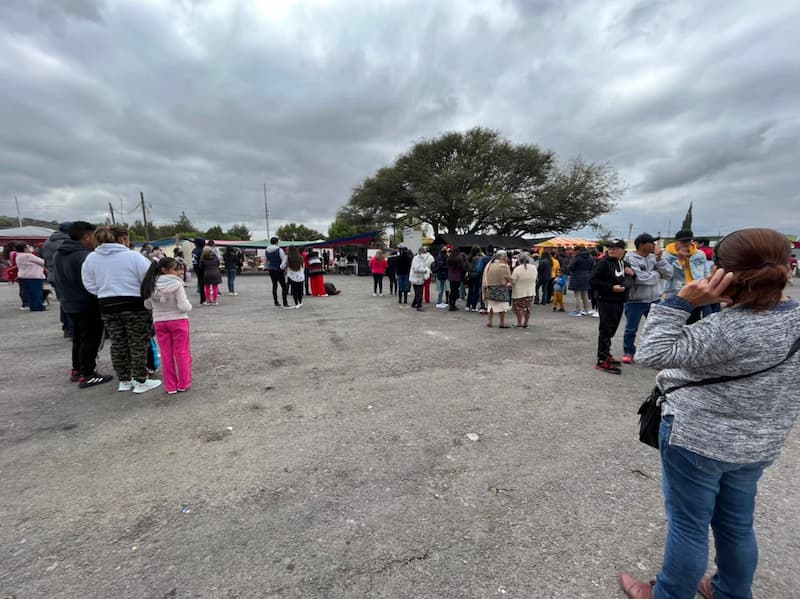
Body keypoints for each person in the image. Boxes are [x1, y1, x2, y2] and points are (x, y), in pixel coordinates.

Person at [618, 228, 800, 599]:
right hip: (760, 442)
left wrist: (680, 302)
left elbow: (651, 353)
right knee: (736, 525)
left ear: (721, 274)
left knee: (689, 526)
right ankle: (731, 590)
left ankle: (668, 594)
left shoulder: (725, 328)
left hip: (697, 439)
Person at [81, 225, 161, 393]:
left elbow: (89, 283)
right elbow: (148, 281)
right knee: (138, 343)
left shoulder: (91, 258)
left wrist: (104, 292)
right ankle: (140, 380)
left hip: (107, 304)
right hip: (134, 304)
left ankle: (124, 379)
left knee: (118, 343)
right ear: (124, 238)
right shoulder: (133, 257)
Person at [54, 221, 112, 387]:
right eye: (94, 236)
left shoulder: (60, 253)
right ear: (86, 236)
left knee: (78, 338)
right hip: (87, 304)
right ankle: (88, 374)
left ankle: (77, 369)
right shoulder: (85, 256)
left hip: (69, 303)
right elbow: (93, 282)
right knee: (91, 340)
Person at [141, 257, 192, 394]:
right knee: (182, 352)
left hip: (160, 322)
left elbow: (147, 305)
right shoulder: (176, 284)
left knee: (166, 354)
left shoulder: (151, 284)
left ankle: (170, 386)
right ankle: (184, 383)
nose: (178, 272)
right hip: (178, 321)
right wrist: (189, 306)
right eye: (175, 269)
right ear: (165, 270)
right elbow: (184, 307)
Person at [621, 233, 673, 364]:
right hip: (636, 300)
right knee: (631, 328)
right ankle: (629, 352)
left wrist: (660, 261)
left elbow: (669, 274)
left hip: (655, 299)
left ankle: (652, 351)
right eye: (652, 243)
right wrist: (656, 273)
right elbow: (640, 278)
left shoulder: (655, 258)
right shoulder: (630, 258)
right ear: (642, 245)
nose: (655, 246)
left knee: (655, 327)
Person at [590, 240, 633, 374]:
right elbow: (593, 280)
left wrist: (629, 278)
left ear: (622, 250)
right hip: (606, 300)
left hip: (619, 300)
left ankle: (606, 354)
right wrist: (610, 288)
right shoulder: (603, 263)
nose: (611, 250)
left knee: (612, 329)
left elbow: (630, 279)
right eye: (609, 248)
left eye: (615, 248)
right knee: (605, 329)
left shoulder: (624, 264)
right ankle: (602, 359)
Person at [662, 229, 707, 324]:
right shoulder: (667, 255)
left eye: (689, 241)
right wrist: (680, 260)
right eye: (683, 241)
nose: (686, 244)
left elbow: (705, 273)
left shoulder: (699, 254)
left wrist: (705, 288)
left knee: (694, 323)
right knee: (674, 324)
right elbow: (668, 275)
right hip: (675, 293)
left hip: (695, 293)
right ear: (676, 242)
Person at [43, 223, 72, 336]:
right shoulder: (65, 242)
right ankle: (70, 328)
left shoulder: (48, 242)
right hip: (63, 275)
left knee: (63, 302)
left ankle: (66, 327)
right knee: (70, 303)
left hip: (52, 275)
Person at [482, 250, 513, 327]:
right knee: (502, 306)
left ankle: (489, 321)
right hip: (501, 288)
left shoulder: (490, 265)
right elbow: (509, 279)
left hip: (490, 287)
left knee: (491, 305)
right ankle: (502, 323)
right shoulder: (504, 266)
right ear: (503, 257)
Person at [15, 244, 47, 312]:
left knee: (30, 293)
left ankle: (32, 306)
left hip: (23, 276)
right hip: (34, 276)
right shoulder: (28, 256)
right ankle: (38, 306)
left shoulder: (18, 256)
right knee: (37, 292)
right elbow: (42, 261)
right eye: (28, 247)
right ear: (25, 248)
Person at [511, 252, 536, 328]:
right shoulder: (534, 268)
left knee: (518, 308)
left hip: (519, 292)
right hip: (530, 291)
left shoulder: (517, 269)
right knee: (527, 308)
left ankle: (519, 322)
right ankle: (525, 323)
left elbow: (513, 281)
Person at [567, 246, 594, 316]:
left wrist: (569, 267)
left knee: (577, 294)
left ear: (577, 251)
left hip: (577, 276)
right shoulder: (590, 257)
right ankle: (587, 309)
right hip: (587, 276)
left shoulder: (577, 257)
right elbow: (592, 267)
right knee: (585, 294)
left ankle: (579, 310)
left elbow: (571, 267)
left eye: (574, 250)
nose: (573, 252)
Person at [265, 237, 289, 307]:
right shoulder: (279, 250)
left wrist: (266, 267)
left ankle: (276, 301)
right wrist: (282, 267)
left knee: (274, 285)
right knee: (283, 286)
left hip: (271, 269)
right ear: (276, 242)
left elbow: (266, 260)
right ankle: (285, 302)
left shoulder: (266, 250)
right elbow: (284, 259)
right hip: (278, 269)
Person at [446, 246, 466, 311]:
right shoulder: (459, 259)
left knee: (452, 291)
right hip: (457, 277)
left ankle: (450, 304)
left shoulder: (449, 258)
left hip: (450, 276)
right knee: (455, 291)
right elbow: (462, 268)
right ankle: (453, 305)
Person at [465, 245, 484, 312]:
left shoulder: (468, 257)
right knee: (476, 291)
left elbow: (466, 266)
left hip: (470, 275)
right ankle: (473, 306)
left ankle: (468, 305)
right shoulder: (480, 258)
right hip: (477, 275)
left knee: (470, 290)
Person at [191, 238, 206, 305]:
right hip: (202, 268)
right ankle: (203, 299)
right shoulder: (201, 250)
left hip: (196, 267)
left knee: (201, 283)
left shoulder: (194, 250)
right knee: (203, 284)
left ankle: (203, 299)